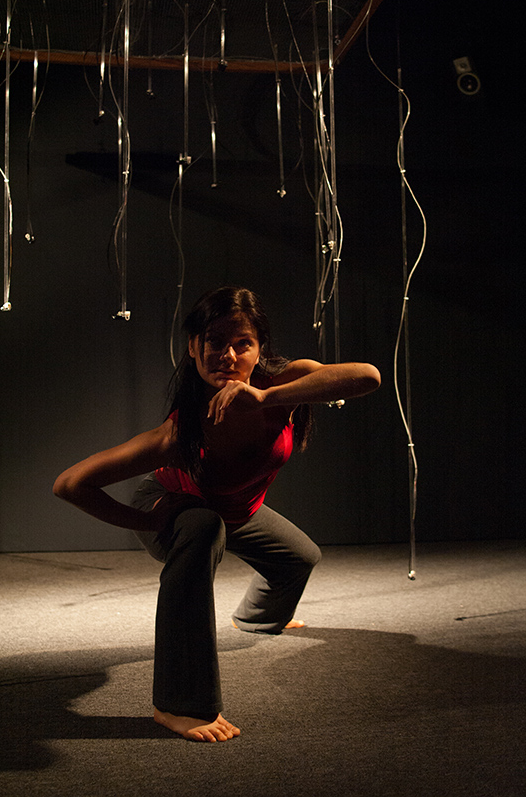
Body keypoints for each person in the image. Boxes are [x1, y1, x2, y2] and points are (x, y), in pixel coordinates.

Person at [53, 286, 380, 742]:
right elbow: (70, 484)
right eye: (213, 341)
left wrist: (267, 400)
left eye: (241, 343)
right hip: (178, 505)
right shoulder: (180, 431)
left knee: (300, 558)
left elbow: (368, 377)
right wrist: (150, 522)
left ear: (258, 348)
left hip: (238, 510)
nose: (226, 355)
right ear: (193, 347)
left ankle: (256, 617)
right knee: (204, 528)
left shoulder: (285, 383)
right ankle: (179, 705)